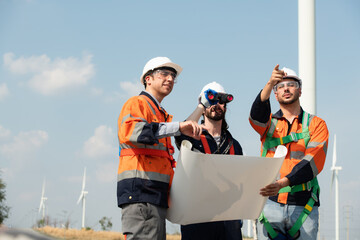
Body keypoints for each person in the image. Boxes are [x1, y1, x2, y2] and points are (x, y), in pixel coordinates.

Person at [117, 57, 206, 240]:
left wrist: (200, 109)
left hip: (154, 196)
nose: (170, 79)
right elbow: (133, 132)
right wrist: (179, 127)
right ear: (147, 79)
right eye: (164, 74)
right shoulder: (137, 103)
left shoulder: (159, 113)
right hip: (141, 194)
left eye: (173, 76)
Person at [249, 64, 329, 240]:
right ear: (275, 94)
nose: (286, 88)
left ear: (300, 91)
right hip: (270, 205)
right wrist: (270, 83)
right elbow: (256, 116)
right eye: (280, 86)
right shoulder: (268, 125)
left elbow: (312, 161)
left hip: (304, 207)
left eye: (291, 84)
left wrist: (283, 183)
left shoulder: (316, 125)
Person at [175, 81, 243, 240]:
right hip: (197, 220)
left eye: (220, 101)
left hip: (229, 222)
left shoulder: (234, 145)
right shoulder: (194, 138)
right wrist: (201, 105)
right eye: (211, 101)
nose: (216, 105)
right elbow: (180, 134)